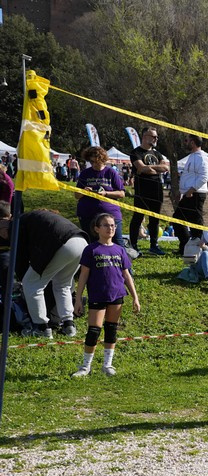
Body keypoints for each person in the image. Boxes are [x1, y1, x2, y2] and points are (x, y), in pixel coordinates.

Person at [71, 213, 140, 377]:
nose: (110, 228)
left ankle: (107, 365)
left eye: (113, 225)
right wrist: (78, 298)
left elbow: (126, 275)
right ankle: (85, 366)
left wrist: (135, 297)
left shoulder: (120, 250)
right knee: (94, 330)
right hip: (97, 295)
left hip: (116, 295)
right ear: (97, 228)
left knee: (111, 330)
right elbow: (83, 275)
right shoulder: (91, 249)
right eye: (106, 225)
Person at [15, 209, 89, 338]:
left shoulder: (18, 223)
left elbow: (21, 256)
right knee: (63, 285)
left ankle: (41, 328)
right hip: (81, 241)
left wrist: (23, 278)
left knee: (31, 283)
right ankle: (68, 325)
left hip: (62, 242)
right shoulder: (36, 218)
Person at [128, 127, 170, 255]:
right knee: (138, 217)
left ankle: (154, 245)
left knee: (155, 218)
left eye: (156, 137)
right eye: (153, 136)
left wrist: (150, 167)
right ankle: (133, 245)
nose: (156, 139)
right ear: (145, 136)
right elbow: (141, 168)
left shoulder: (157, 153)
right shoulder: (136, 152)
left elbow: (165, 168)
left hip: (157, 189)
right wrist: (151, 168)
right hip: (142, 190)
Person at [75, 147, 126, 247]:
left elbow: (121, 193)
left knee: (118, 243)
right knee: (91, 244)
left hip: (111, 213)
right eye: (91, 161)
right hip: (88, 214)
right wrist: (84, 192)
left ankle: (122, 261)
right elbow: (77, 195)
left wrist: (106, 193)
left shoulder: (111, 172)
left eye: (96, 161)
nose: (94, 164)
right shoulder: (85, 173)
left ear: (102, 160)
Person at [173, 134, 208, 254]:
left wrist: (191, 190)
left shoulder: (202, 157)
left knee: (196, 222)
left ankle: (197, 247)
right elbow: (188, 176)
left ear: (193, 142)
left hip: (196, 193)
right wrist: (181, 191)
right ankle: (186, 245)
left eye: (186, 140)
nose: (185, 143)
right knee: (178, 219)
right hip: (189, 193)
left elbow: (204, 177)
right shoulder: (192, 156)